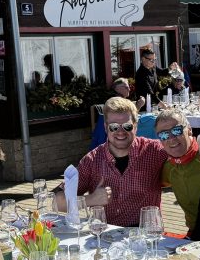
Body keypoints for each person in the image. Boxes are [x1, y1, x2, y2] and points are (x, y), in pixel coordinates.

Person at [54, 97, 166, 227]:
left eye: (127, 126)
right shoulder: (92, 160)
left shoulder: (155, 150)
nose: (120, 132)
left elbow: (184, 151)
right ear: (106, 128)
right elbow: (57, 202)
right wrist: (90, 199)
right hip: (105, 235)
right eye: (114, 127)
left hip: (146, 235)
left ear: (135, 126)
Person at [154, 110, 200, 236]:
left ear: (189, 130)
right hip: (194, 234)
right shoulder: (169, 166)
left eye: (176, 130)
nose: (171, 138)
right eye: (163, 135)